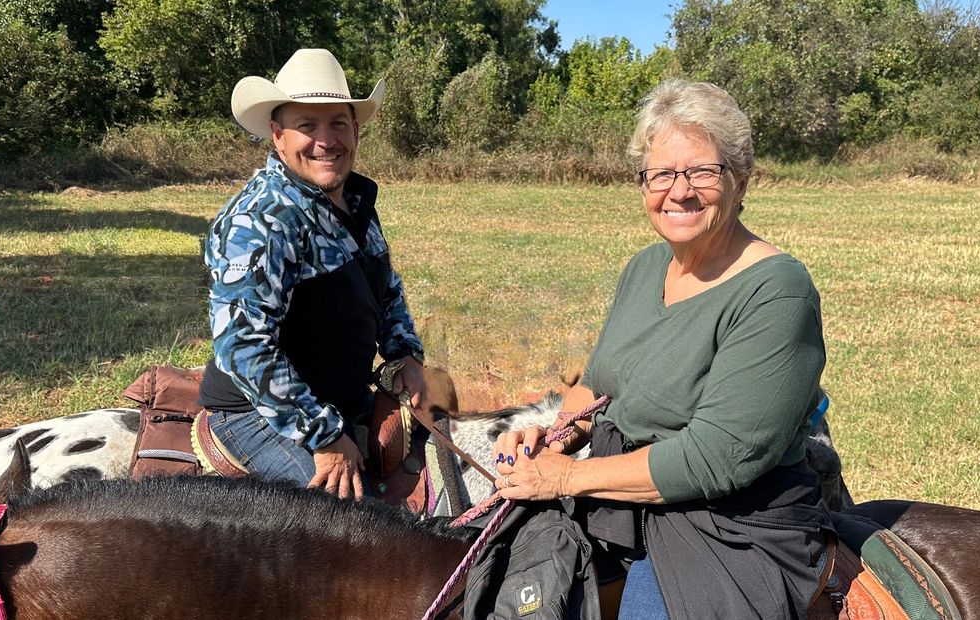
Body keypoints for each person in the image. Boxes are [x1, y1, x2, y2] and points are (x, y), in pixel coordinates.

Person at [491, 79, 834, 619]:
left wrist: (564, 477)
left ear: (741, 180)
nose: (680, 192)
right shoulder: (645, 268)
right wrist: (556, 436)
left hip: (727, 527)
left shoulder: (777, 291)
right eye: (662, 174)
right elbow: (598, 385)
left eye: (702, 171)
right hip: (620, 502)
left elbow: (717, 458)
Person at [199, 48, 427, 501]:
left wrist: (405, 354)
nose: (326, 141)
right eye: (307, 126)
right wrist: (323, 436)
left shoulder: (355, 202)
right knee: (360, 528)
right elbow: (244, 346)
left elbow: (385, 290)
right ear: (278, 135)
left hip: (340, 398)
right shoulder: (260, 220)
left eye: (338, 124)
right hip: (258, 414)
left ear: (356, 130)